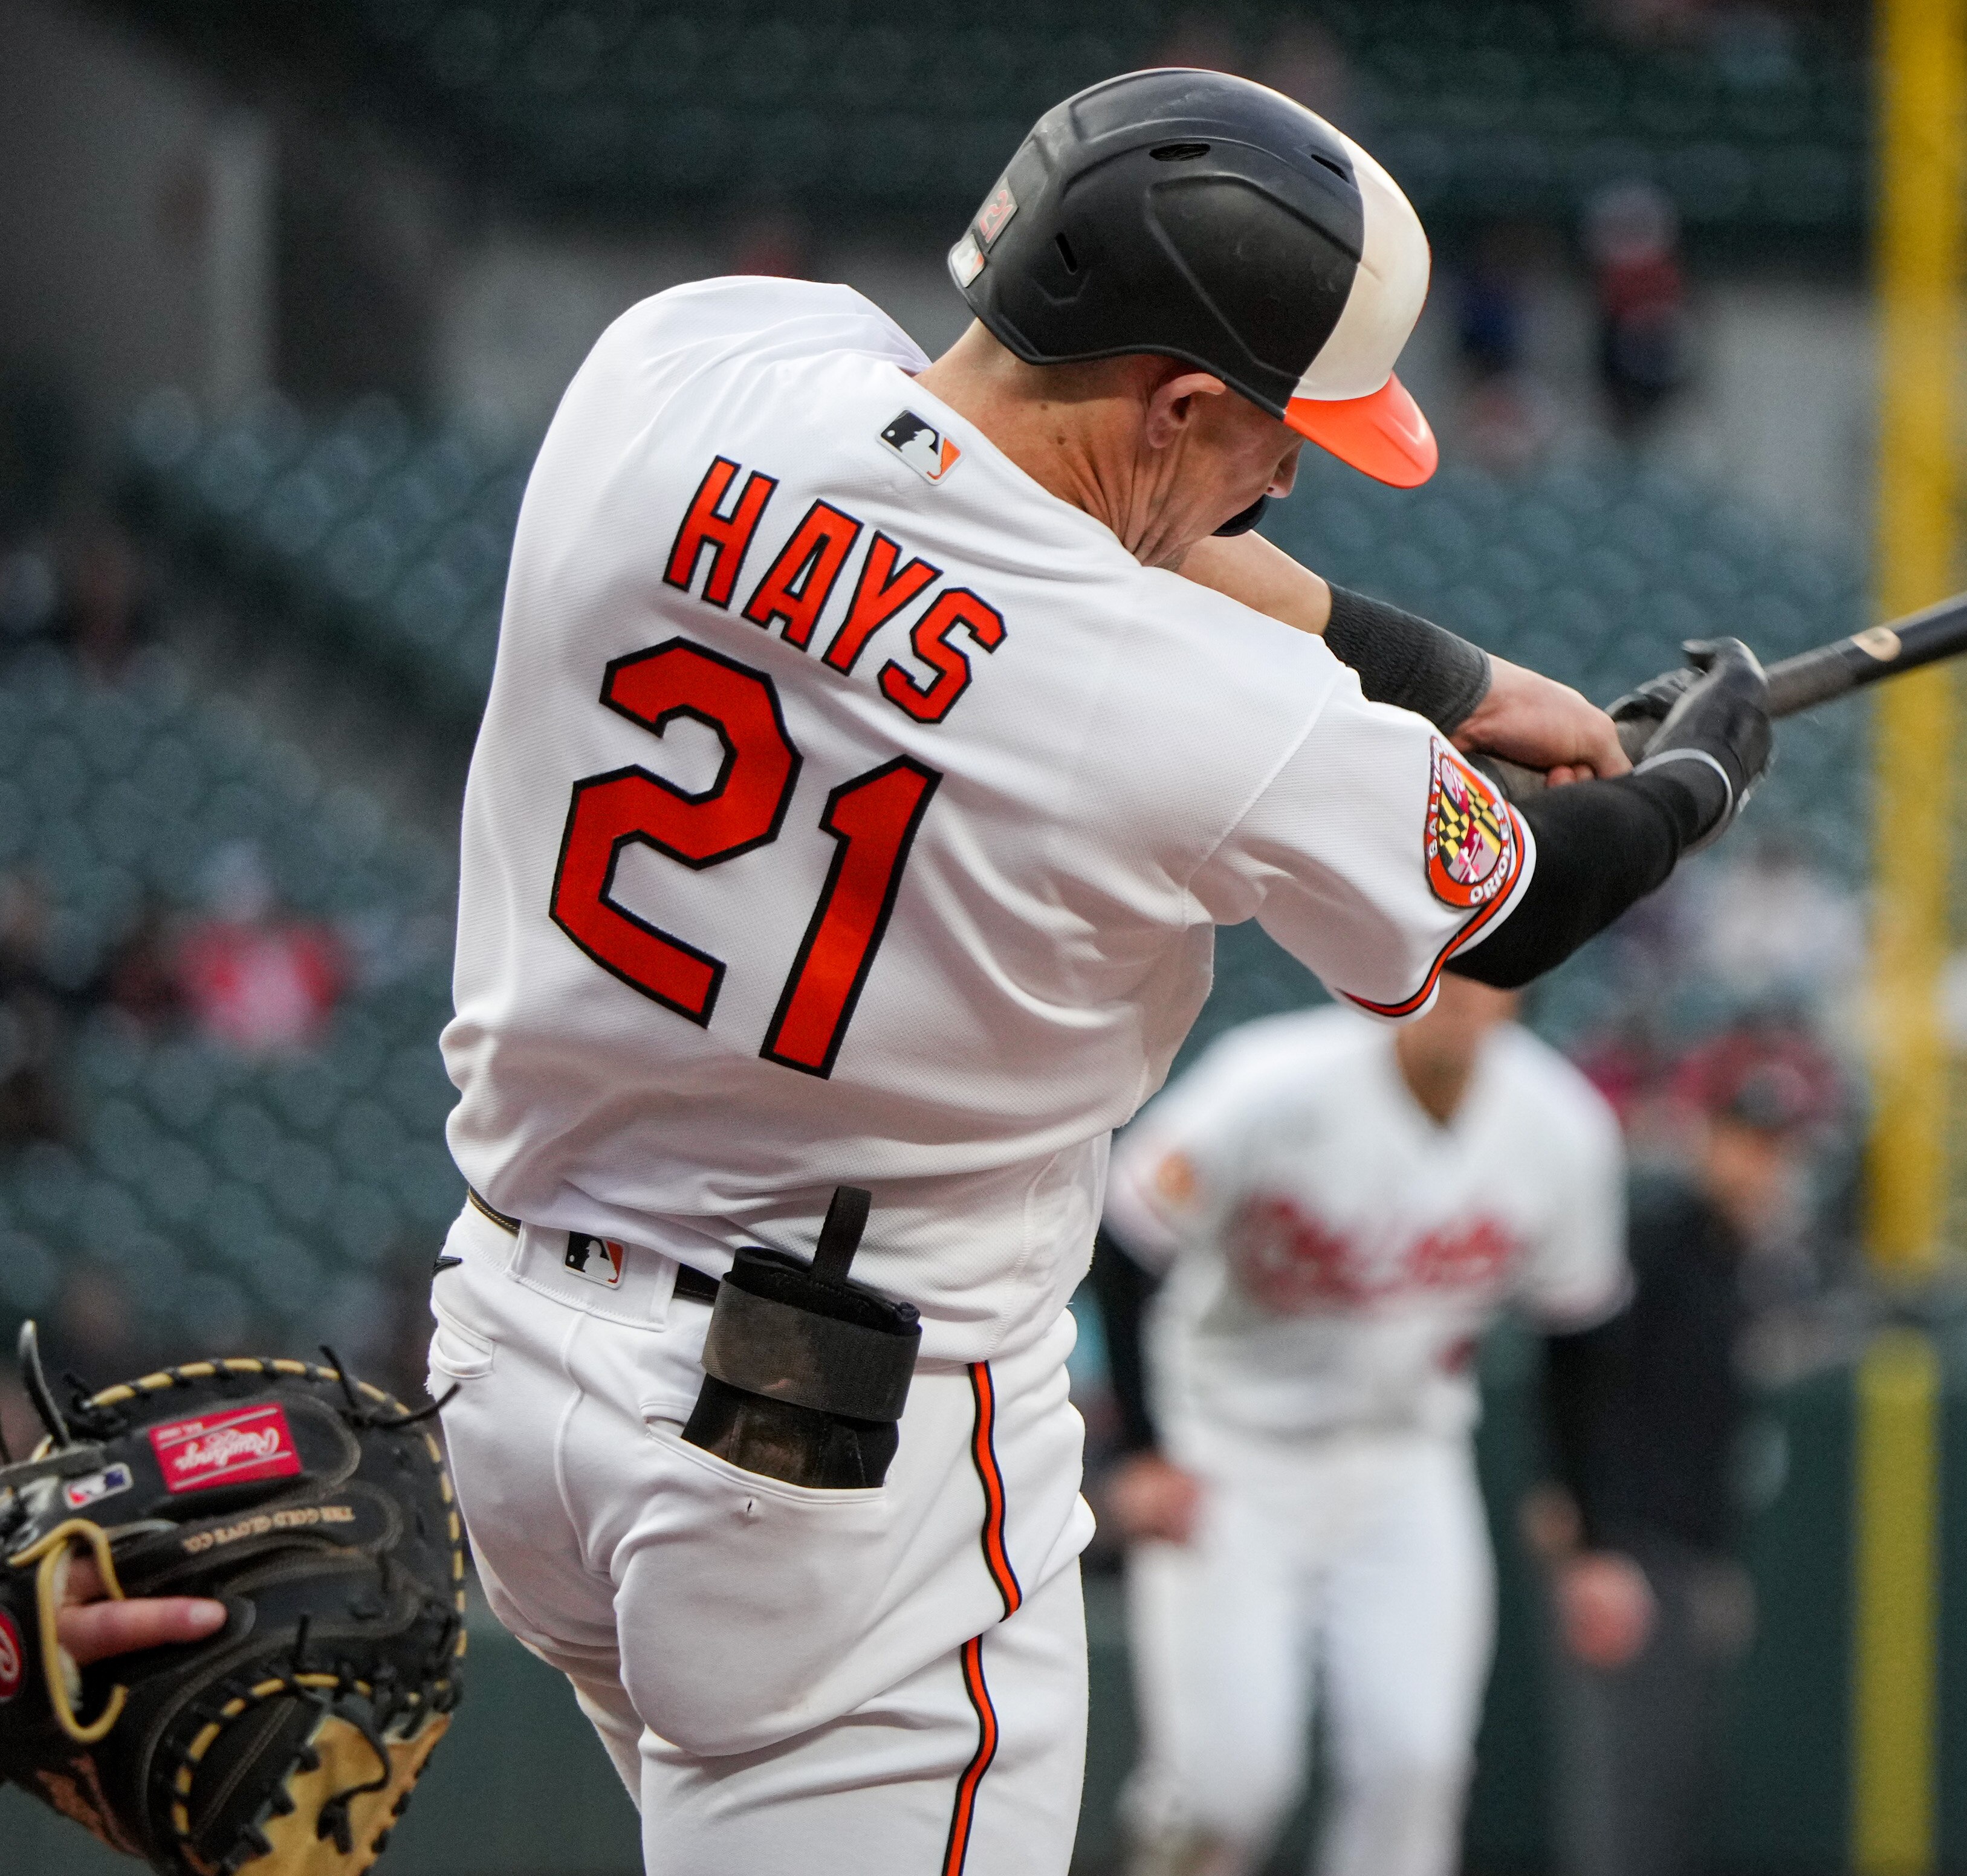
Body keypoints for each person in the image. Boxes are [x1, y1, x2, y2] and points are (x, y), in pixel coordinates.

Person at [414, 67, 1771, 1876]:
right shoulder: (1192, 709)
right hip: (828, 1462)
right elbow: (1523, 897)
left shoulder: (690, 361)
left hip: (512, 1372)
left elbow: (997, 503)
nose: (1291, 471)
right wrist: (1697, 779)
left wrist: (1456, 679)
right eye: (1277, 430)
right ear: (1178, 400)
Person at [1091, 977, 1626, 1876]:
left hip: (1406, 1459)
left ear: (1523, 992)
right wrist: (1143, 1451)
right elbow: (1128, 1235)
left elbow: (1578, 1334)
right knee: (1228, 1786)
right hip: (1230, 1451)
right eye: (1450, 961)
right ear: (1402, 965)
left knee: (1417, 1764)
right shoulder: (1274, 1080)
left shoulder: (1560, 1124)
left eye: (1492, 969)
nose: (1464, 992)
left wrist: (1590, 1530)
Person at [1538, 1045, 1821, 1876]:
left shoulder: (1744, 1266)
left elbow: (1713, 1430)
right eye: (1745, 1137)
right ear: (1707, 1137)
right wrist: (1587, 1531)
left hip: (1688, 1551)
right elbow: (1579, 1372)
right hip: (1626, 1545)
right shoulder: (1656, 1238)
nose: (1759, 1162)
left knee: (1672, 1788)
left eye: (1775, 1146)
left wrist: (1719, 1565)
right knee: (1626, 1792)